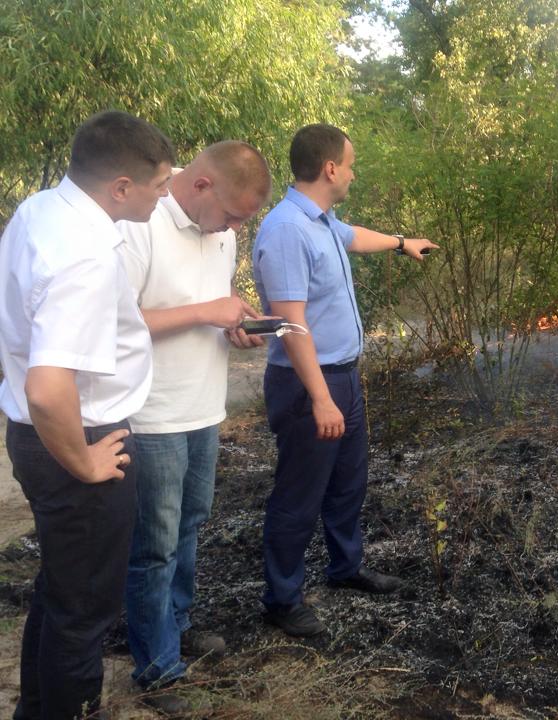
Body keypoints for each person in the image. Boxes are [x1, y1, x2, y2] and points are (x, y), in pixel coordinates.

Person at [0, 111, 174, 720]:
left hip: (36, 434)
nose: (166, 194)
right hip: (76, 437)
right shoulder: (85, 256)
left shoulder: (41, 210)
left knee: (61, 592)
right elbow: (49, 389)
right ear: (121, 187)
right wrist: (85, 461)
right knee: (84, 613)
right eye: (159, 184)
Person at [252, 123, 438, 637]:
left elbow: (354, 238)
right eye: (351, 164)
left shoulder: (322, 222)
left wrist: (403, 242)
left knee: (346, 484)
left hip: (342, 379)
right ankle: (282, 599)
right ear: (330, 168)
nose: (354, 173)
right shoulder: (288, 229)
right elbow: (291, 325)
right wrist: (320, 398)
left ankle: (345, 568)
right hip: (308, 384)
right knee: (299, 494)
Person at [116, 141, 272, 713]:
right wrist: (210, 312)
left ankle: (174, 627)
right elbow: (116, 321)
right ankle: (156, 667)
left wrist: (237, 318)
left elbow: (210, 301)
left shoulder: (221, 229)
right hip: (150, 411)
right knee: (154, 544)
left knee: (191, 524)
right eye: (232, 215)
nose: (233, 229)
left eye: (241, 222)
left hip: (204, 405)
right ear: (201, 185)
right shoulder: (140, 219)